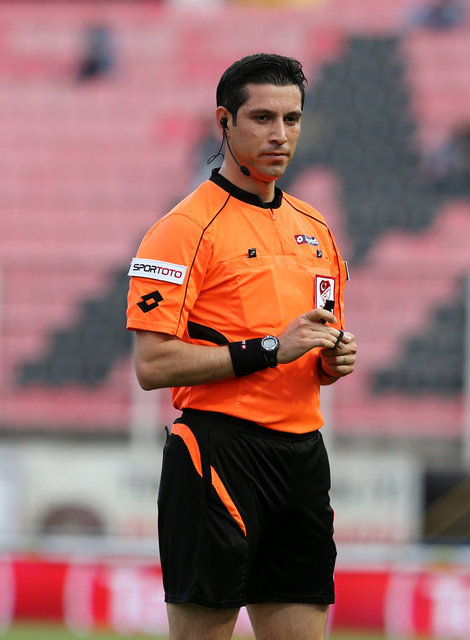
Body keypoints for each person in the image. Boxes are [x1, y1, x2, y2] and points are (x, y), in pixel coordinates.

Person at [126, 53, 357, 640]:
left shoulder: (317, 230)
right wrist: (269, 349)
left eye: (292, 119)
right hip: (217, 454)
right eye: (262, 118)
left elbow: (312, 350)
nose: (280, 134)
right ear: (224, 122)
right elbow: (152, 364)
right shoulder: (182, 229)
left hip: (302, 458)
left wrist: (333, 361)